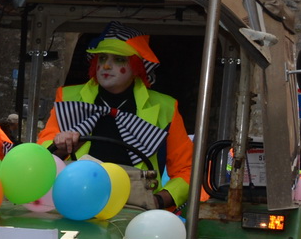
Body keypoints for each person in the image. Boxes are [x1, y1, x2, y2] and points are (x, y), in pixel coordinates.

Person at [37, 24, 192, 211]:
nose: (106, 66)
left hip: (136, 209)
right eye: (102, 58)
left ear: (136, 67)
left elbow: (187, 171)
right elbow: (42, 156)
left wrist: (159, 200)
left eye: (119, 59)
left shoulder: (166, 107)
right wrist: (60, 147)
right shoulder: (68, 97)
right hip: (75, 200)